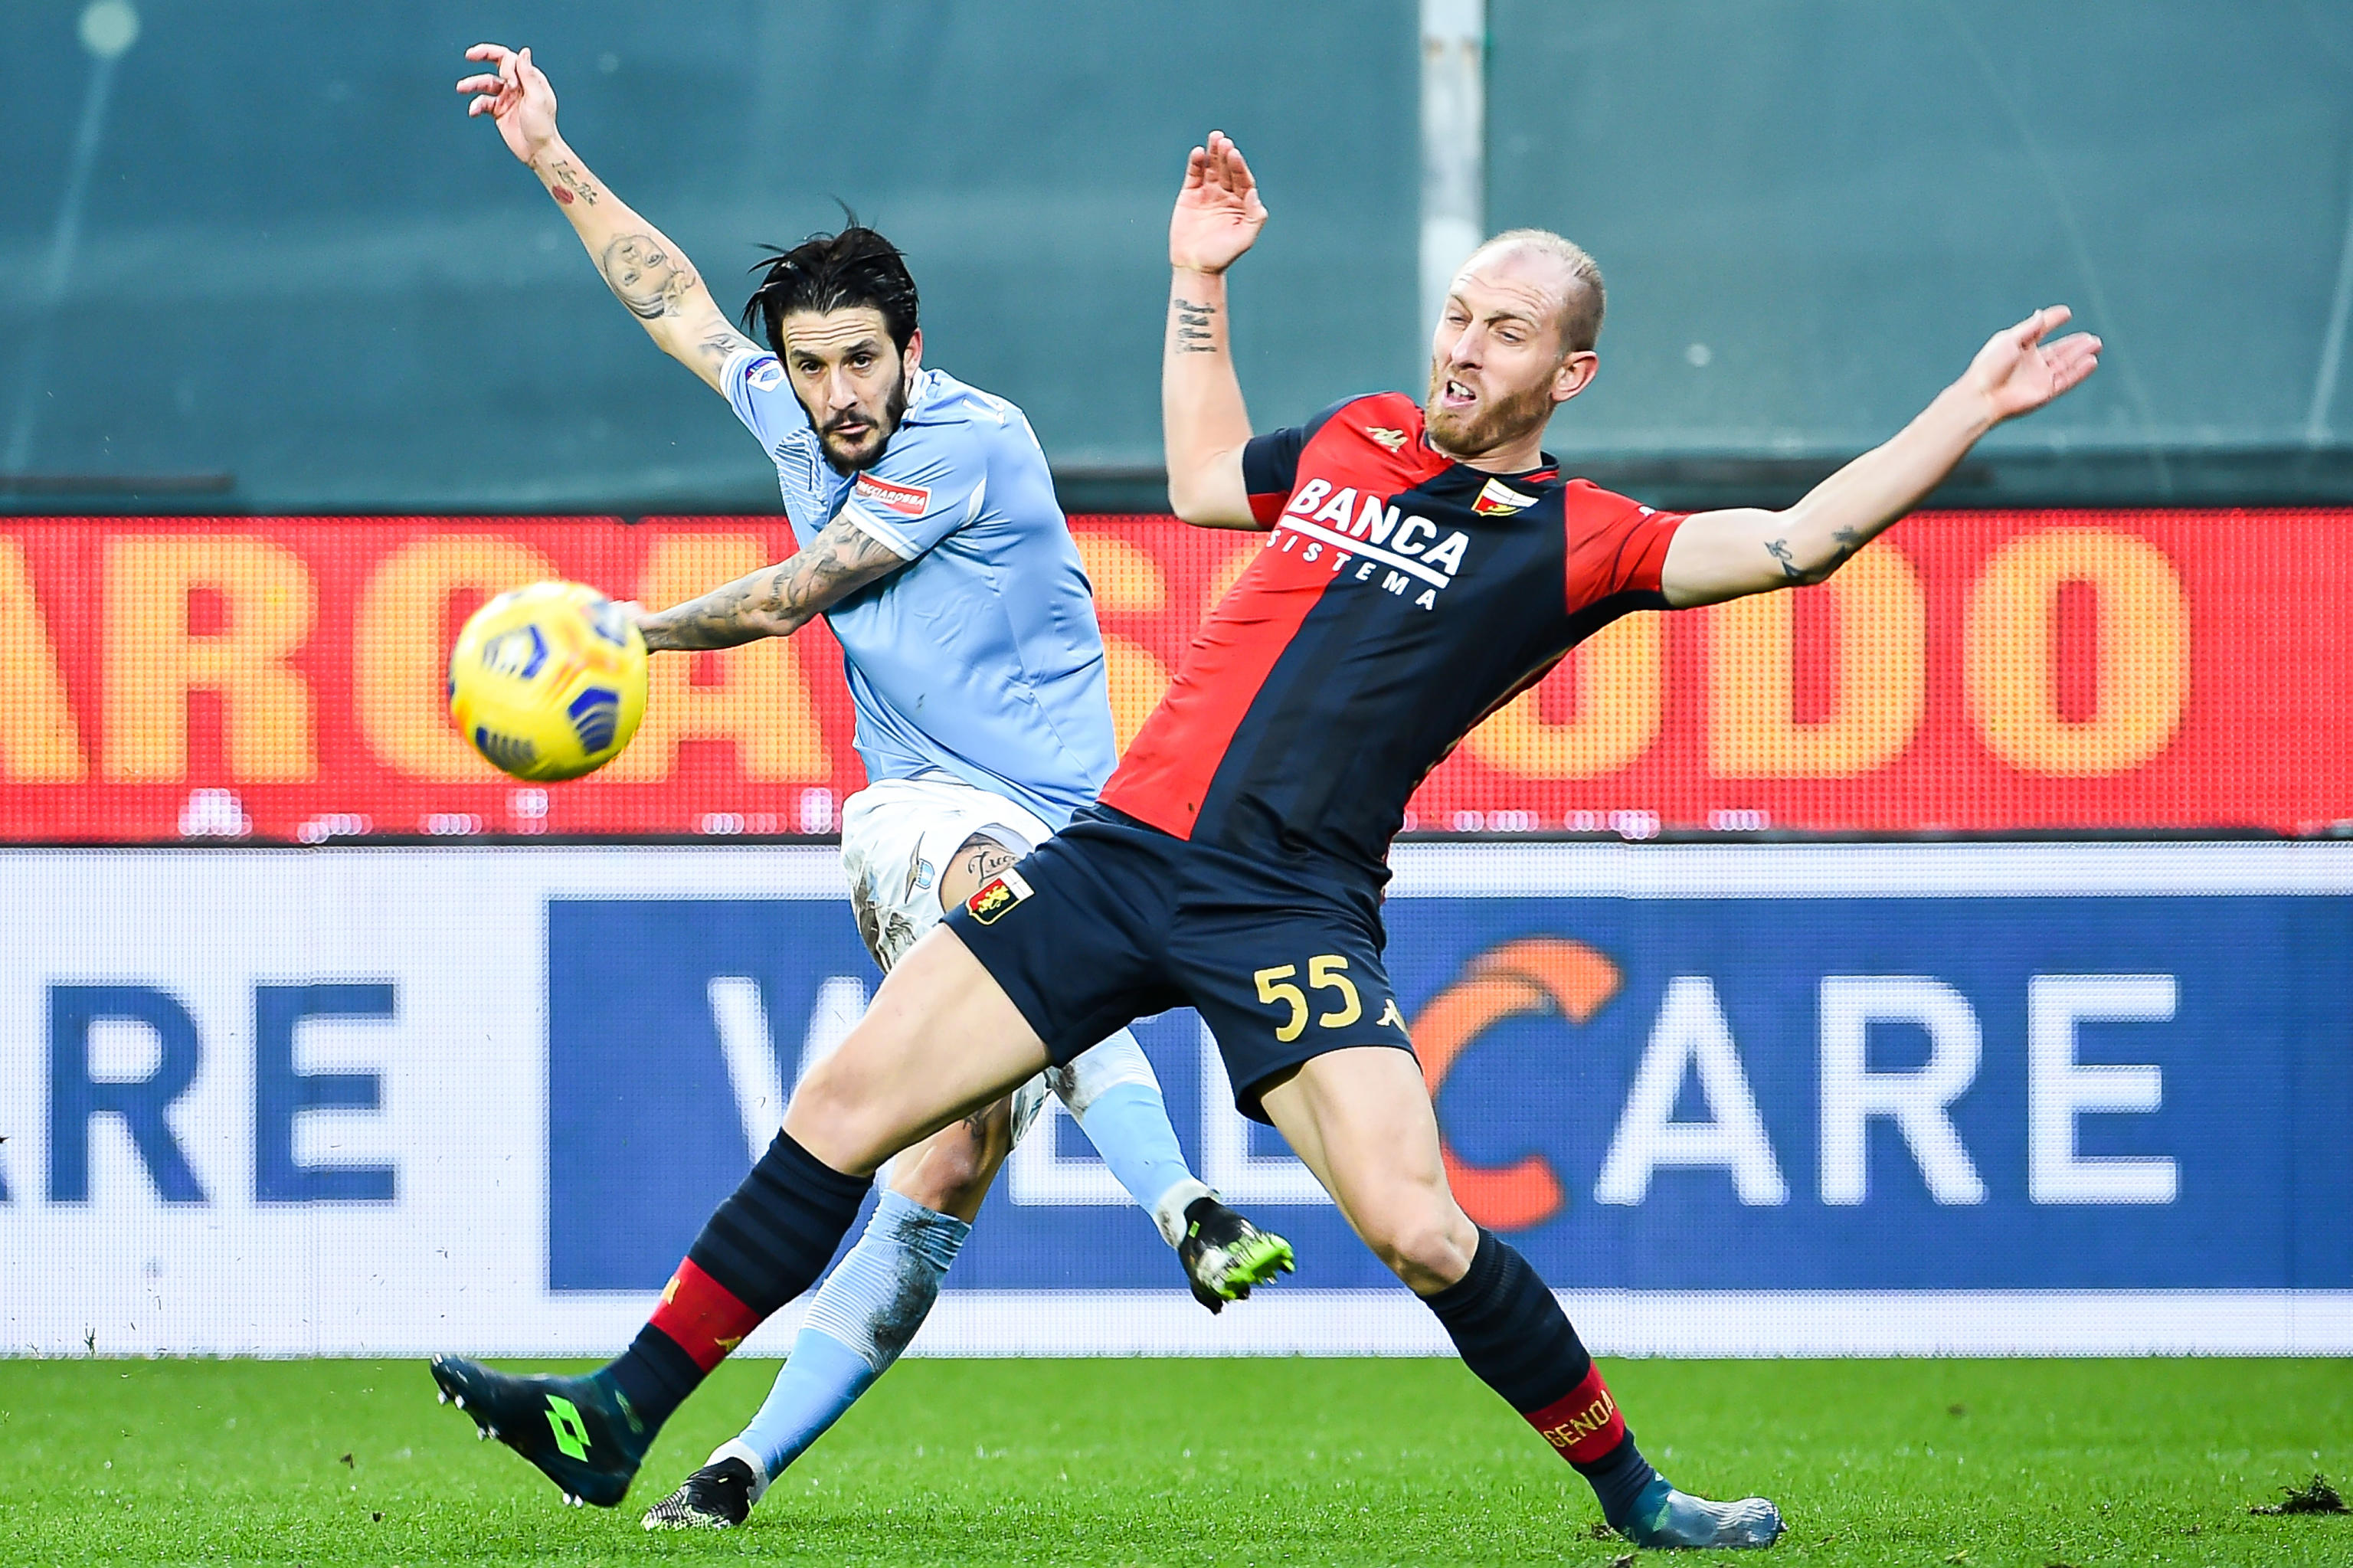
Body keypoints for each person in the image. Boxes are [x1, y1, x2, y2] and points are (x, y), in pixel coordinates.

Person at [442, 113, 2101, 1548]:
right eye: (1457, 314)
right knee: (846, 1104)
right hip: (1120, 855)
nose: (1463, 347)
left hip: (1289, 909)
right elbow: (1199, 480)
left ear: (1569, 372)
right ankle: (616, 1415)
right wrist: (1202, 279)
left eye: (1505, 332)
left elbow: (1803, 539)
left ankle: (1641, 1500)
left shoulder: (1586, 539)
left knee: (1420, 1228)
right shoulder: (1365, 435)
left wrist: (1961, 411)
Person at [430, 51, 1295, 1525]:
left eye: (861, 362)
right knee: (989, 896)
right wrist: (547, 154)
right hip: (924, 821)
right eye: (811, 364)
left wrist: (613, 632)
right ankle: (1188, 1208)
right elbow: (671, 301)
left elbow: (792, 596)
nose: (834, 394)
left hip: (1084, 832)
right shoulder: (794, 406)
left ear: (912, 348)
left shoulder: (971, 438)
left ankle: (700, 1452)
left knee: (943, 1167)